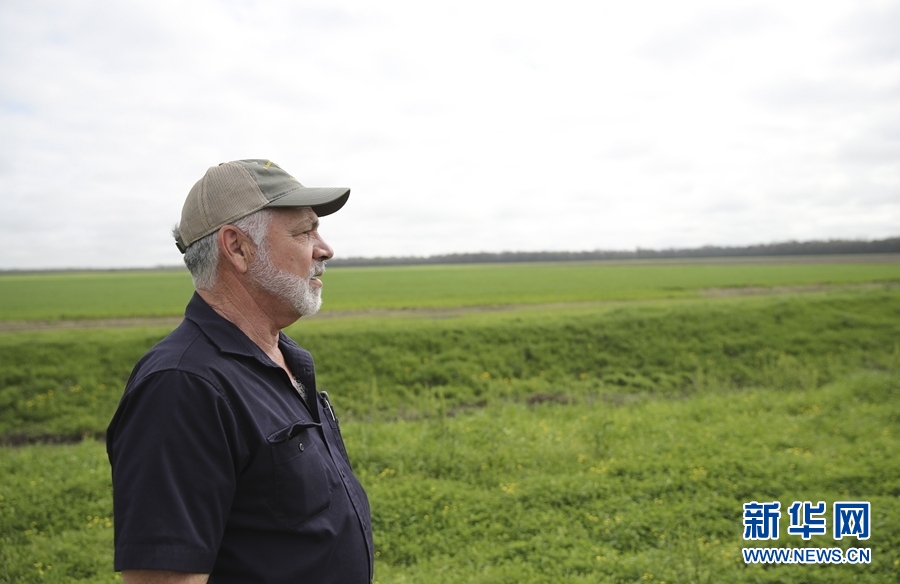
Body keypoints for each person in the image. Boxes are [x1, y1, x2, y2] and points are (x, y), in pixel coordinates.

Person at [106, 159, 373, 584]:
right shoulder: (182, 386)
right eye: (304, 232)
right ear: (237, 248)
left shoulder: (282, 358)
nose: (325, 249)